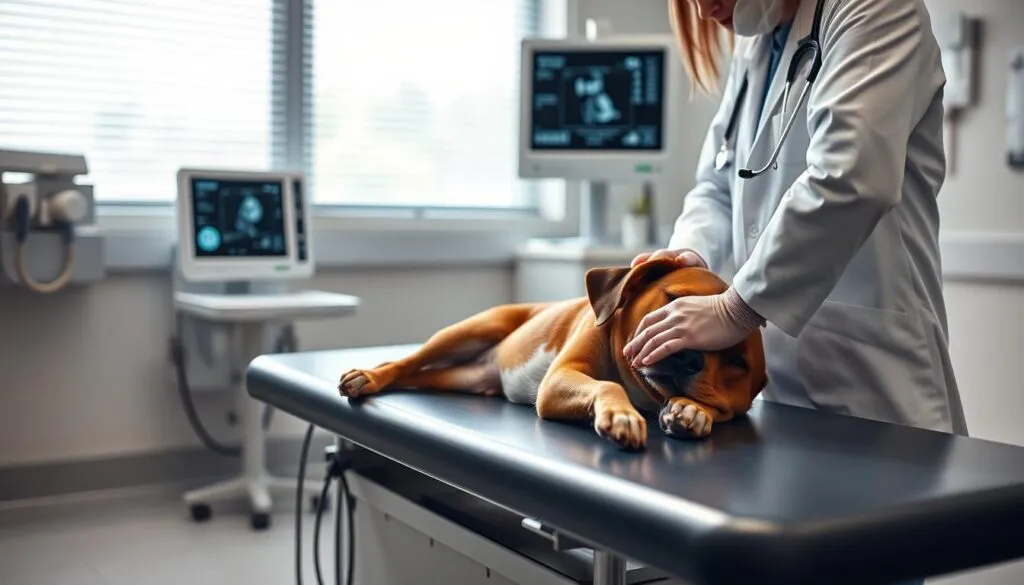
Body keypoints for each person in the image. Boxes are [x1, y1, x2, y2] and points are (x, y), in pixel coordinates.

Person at [625, 0, 968, 439]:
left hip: (875, 384)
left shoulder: (877, 9)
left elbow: (851, 178)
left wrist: (735, 309)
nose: (704, 9)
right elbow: (716, 185)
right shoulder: (756, 48)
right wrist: (689, 256)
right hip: (778, 389)